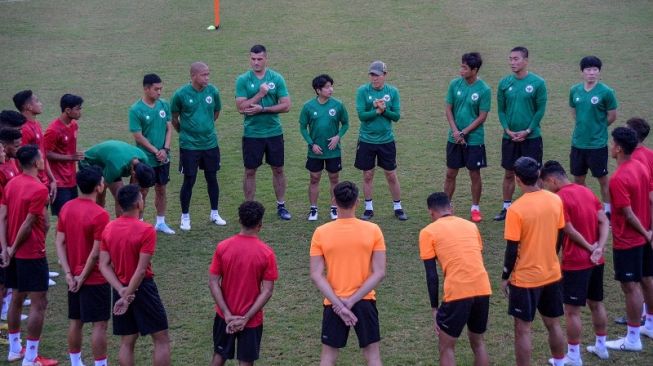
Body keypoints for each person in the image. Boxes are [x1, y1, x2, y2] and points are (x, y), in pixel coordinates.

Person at [540, 161, 610, 363]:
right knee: (596, 304)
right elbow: (604, 220)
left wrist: (589, 248)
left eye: (545, 184)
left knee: (572, 311)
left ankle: (574, 356)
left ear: (552, 180)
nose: (546, 189)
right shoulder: (586, 191)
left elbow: (568, 229)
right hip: (597, 260)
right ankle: (601, 346)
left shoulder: (559, 199)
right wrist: (599, 247)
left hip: (576, 262)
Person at [309, 181, 386, 366]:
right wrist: (351, 302)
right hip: (365, 300)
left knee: (328, 357)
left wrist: (340, 304)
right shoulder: (373, 230)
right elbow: (380, 272)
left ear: (334, 200)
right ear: (358, 201)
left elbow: (316, 275)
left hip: (333, 303)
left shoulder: (321, 232)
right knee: (373, 356)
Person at [500, 157, 565, 366]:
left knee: (523, 330)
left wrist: (505, 276)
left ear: (517, 179)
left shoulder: (516, 210)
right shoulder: (555, 199)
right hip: (552, 273)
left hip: (526, 279)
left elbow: (512, 249)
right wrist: (551, 256)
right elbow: (560, 234)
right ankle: (560, 361)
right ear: (538, 175)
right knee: (554, 325)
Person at [98, 184, 171, 366]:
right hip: (142, 288)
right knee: (161, 337)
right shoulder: (146, 230)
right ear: (139, 203)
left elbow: (103, 265)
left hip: (120, 287)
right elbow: (140, 270)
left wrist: (121, 291)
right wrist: (129, 293)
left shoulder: (109, 228)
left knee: (127, 341)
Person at [418, 192, 491, 366]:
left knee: (446, 347)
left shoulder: (428, 232)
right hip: (483, 288)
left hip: (457, 292)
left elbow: (431, 275)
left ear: (431, 212)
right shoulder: (471, 226)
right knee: (478, 343)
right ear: (451, 208)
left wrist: (434, 308)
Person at [0, 145, 57, 365]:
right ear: (36, 163)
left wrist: (5, 248)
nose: (43, 159)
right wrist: (13, 248)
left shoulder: (12, 183)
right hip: (31, 252)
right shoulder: (39, 189)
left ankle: (14, 349)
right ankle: (31, 356)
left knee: (16, 296)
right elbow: (29, 223)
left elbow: (3, 216)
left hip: (12, 251)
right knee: (38, 304)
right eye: (41, 157)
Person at [208, 201, 278, 365]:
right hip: (252, 319)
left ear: (239, 221)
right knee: (246, 361)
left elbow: (213, 282)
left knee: (219, 355)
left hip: (224, 316)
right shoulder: (266, 253)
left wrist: (226, 313)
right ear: (260, 224)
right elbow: (267, 291)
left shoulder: (223, 247)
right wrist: (246, 318)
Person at [55, 166, 111, 366]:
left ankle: (75, 362)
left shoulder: (67, 207)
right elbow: (96, 253)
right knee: (99, 325)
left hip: (74, 279)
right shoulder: (100, 214)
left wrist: (69, 275)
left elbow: (59, 242)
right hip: (94, 278)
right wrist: (82, 276)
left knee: (76, 321)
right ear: (98, 187)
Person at [604, 127, 653, 352]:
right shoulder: (641, 167)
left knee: (630, 287)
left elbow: (628, 213)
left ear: (619, 148)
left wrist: (644, 232)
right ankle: (650, 325)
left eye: (612, 143)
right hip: (644, 237)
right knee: (646, 279)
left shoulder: (618, 178)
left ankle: (633, 338)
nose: (610, 146)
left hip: (628, 240)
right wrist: (649, 232)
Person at [235, 45, 292, 220]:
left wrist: (263, 109)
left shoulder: (276, 78)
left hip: (274, 132)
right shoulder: (243, 80)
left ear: (266, 59)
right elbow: (240, 108)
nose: (256, 62)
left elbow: (286, 105)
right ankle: (249, 208)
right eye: (253, 59)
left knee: (278, 169)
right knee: (250, 171)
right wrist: (260, 94)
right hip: (252, 134)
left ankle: (281, 206)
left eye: (259, 59)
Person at [171, 62, 226, 231]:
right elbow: (174, 118)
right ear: (194, 76)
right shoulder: (180, 94)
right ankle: (185, 216)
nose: (207, 78)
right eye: (204, 75)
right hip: (189, 146)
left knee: (212, 178)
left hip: (210, 143)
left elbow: (215, 113)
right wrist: (185, 133)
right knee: (190, 179)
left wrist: (205, 127)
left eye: (208, 74)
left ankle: (214, 213)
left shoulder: (213, 92)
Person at [494, 47, 547, 221]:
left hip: (531, 137)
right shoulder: (504, 83)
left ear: (525, 60)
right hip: (509, 137)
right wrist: (507, 129)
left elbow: (540, 110)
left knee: (535, 172)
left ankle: (538, 208)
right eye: (510, 59)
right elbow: (501, 110)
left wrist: (528, 130)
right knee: (509, 173)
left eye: (516, 59)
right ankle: (506, 207)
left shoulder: (538, 83)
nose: (512, 62)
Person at [354, 61, 406, 221]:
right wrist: (377, 110)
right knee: (368, 174)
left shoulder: (392, 92)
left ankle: (398, 207)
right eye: (372, 75)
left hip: (386, 141)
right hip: (366, 140)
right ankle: (369, 208)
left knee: (390, 174)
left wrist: (384, 110)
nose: (374, 78)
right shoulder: (363, 91)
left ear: (385, 75)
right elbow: (362, 116)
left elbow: (396, 117)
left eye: (377, 75)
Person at [443, 52, 491, 222]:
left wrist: (464, 133)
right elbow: (448, 109)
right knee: (450, 173)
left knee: (474, 174)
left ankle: (475, 207)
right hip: (454, 137)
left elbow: (482, 116)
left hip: (474, 139)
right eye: (461, 66)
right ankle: (445, 206)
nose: (461, 70)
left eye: (464, 67)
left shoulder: (484, 89)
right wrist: (456, 132)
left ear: (475, 70)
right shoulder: (454, 85)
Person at [569, 56, 618, 219]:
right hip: (578, 143)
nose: (591, 73)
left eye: (595, 70)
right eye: (588, 70)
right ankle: (585, 207)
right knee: (578, 179)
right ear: (582, 72)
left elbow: (612, 115)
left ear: (599, 72)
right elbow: (574, 111)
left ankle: (608, 210)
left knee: (603, 179)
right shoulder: (574, 90)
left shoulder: (606, 92)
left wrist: (599, 128)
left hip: (597, 145)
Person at [299, 74, 349, 221]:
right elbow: (302, 127)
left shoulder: (338, 105)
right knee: (314, 178)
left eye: (331, 86)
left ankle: (334, 208)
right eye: (327, 87)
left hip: (333, 151)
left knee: (334, 178)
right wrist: (311, 144)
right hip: (315, 151)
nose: (330, 89)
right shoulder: (308, 107)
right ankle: (313, 209)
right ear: (318, 90)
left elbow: (345, 124)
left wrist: (338, 136)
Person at [130, 73, 175, 234]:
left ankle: (161, 222)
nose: (159, 92)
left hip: (163, 157)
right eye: (156, 89)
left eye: (161, 89)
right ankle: (139, 223)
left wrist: (165, 149)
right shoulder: (136, 109)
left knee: (161, 189)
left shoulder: (164, 105)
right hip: (145, 159)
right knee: (142, 191)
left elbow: (169, 127)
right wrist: (156, 151)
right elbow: (138, 136)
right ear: (146, 89)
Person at [80, 140, 155, 217]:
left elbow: (133, 191)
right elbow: (101, 187)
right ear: (134, 173)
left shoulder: (144, 159)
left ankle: (130, 223)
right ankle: (98, 218)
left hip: (112, 158)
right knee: (101, 192)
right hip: (89, 162)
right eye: (139, 183)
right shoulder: (116, 167)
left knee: (125, 196)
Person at [44, 94, 85, 216]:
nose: (80, 112)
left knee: (72, 216)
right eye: (77, 109)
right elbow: (46, 154)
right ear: (67, 110)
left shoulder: (73, 125)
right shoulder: (53, 130)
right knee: (63, 217)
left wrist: (74, 155)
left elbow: (67, 149)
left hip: (71, 180)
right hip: (59, 182)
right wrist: (71, 157)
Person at [13, 90, 58, 201]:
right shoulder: (23, 130)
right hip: (33, 186)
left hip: (43, 181)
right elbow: (21, 163)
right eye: (37, 101)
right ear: (28, 107)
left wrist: (52, 179)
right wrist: (37, 184)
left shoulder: (37, 124)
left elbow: (42, 154)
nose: (40, 104)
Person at [0, 129, 24, 322]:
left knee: (5, 278)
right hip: (3, 226)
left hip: (9, 225)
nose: (2, 153)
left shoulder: (10, 163)